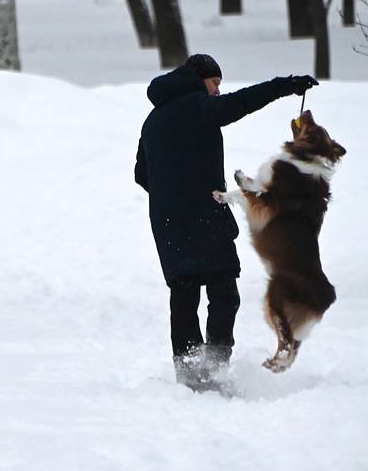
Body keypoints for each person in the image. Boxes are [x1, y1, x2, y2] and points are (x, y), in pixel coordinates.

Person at [134, 54, 317, 390]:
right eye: (215, 83)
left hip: (168, 220)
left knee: (184, 292)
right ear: (198, 79)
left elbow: (141, 174)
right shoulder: (197, 106)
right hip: (204, 213)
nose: (218, 91)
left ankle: (189, 370)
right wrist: (285, 86)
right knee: (223, 290)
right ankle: (216, 364)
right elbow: (241, 103)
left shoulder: (153, 119)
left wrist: (172, 191)